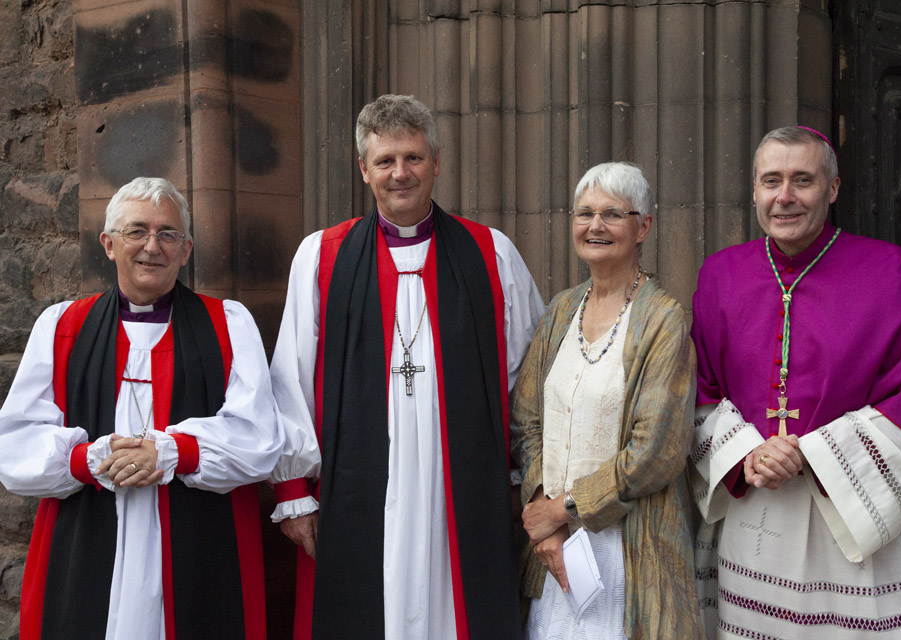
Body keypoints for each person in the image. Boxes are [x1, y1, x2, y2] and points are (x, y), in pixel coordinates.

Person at [269, 94, 544, 639]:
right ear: (364, 170)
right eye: (386, 161)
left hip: (463, 487)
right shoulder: (320, 256)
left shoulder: (492, 253)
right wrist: (292, 493)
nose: (401, 173)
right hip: (356, 490)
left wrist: (523, 479)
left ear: (436, 162)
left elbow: (527, 379)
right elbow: (289, 380)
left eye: (414, 158)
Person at [690, 126, 901, 638]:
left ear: (832, 188)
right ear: (753, 191)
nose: (784, 197)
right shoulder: (720, 275)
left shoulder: (893, 272)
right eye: (771, 181)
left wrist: (818, 455)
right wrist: (746, 454)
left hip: (864, 524)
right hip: (760, 508)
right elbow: (698, 389)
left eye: (802, 180)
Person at [0, 177, 283, 640]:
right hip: (89, 533)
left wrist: (174, 453)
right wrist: (88, 459)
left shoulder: (228, 325)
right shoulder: (61, 326)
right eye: (137, 232)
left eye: (167, 234)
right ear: (108, 244)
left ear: (186, 249)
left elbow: (260, 438)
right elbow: (14, 443)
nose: (152, 247)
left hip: (198, 543)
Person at [511, 162, 704, 639]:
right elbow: (527, 419)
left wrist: (564, 509)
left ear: (644, 227)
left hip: (629, 549)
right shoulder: (560, 310)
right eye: (585, 213)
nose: (595, 226)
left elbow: (654, 452)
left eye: (613, 214)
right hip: (556, 550)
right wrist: (545, 515)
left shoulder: (664, 321)